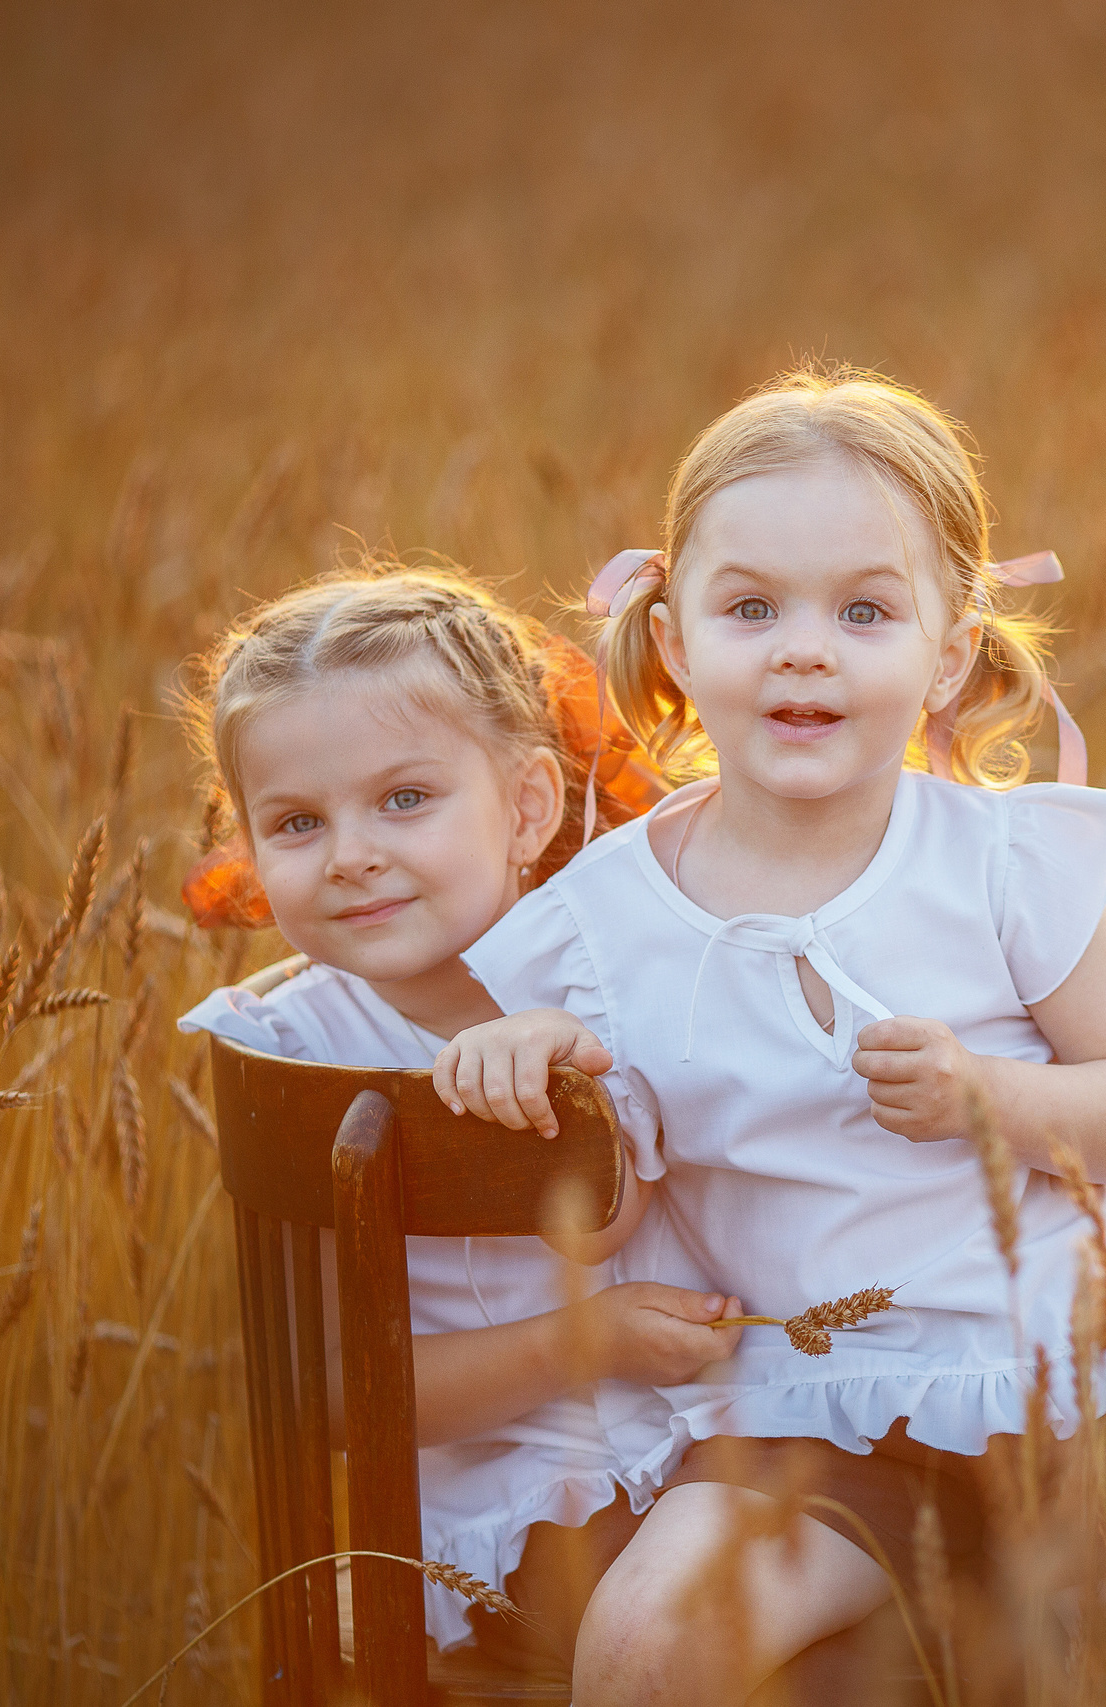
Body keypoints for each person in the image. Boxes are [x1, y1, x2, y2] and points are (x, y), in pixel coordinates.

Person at [439, 369, 1106, 1704]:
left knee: (1072, 1669)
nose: (803, 647)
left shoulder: (994, 863)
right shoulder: (596, 920)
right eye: (751, 606)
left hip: (1073, 1387)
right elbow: (617, 1200)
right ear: (678, 641)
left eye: (863, 610)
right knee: (646, 1641)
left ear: (946, 651)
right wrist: (526, 1063)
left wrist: (993, 1098)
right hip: (808, 1406)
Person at [171, 561, 741, 1668]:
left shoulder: (618, 975)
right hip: (515, 1503)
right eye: (295, 823)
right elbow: (338, 1394)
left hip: (716, 1435)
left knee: (907, 1565)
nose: (352, 855)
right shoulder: (294, 1053)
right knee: (705, 1637)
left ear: (527, 805)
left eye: (404, 799)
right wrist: (592, 1342)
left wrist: (573, 1060)